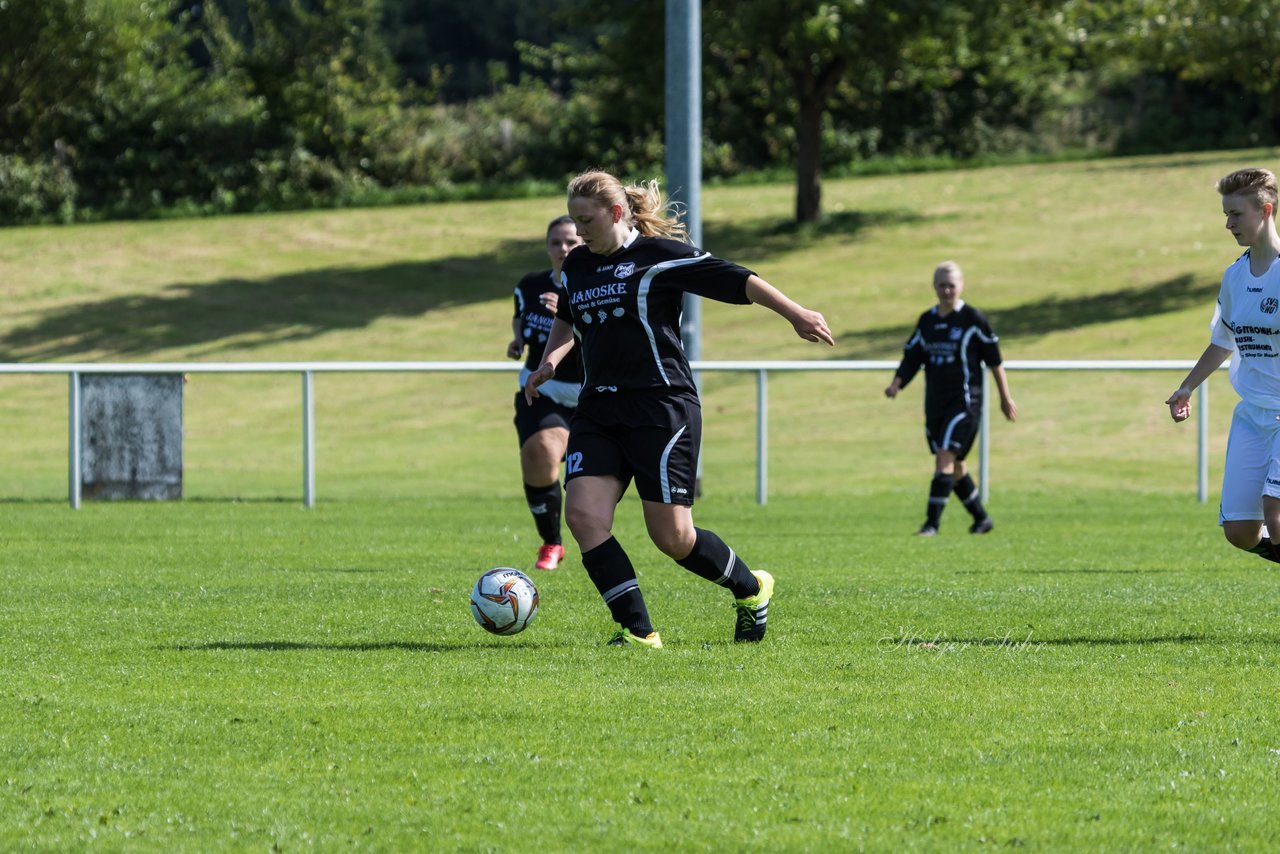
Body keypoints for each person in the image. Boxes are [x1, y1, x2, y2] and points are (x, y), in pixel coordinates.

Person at [524, 169, 834, 648]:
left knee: (672, 537)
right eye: (572, 221)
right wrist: (549, 362)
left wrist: (796, 313)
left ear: (615, 212)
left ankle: (751, 590)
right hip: (599, 409)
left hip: (661, 406)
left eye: (585, 221)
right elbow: (568, 317)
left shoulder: (658, 257)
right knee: (584, 516)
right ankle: (638, 631)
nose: (577, 233)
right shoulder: (580, 265)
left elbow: (737, 279)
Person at [1167, 166, 1280, 565]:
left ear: (1265, 211)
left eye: (1236, 214)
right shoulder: (1234, 276)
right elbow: (1223, 340)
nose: (1228, 224)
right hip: (1252, 416)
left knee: (1276, 514)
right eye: (1226, 215)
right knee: (1240, 533)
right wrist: (1187, 386)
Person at [884, 261, 1017, 537]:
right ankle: (982, 519)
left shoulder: (972, 319)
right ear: (934, 287)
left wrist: (1005, 397)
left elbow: (995, 361)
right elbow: (912, 357)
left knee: (944, 458)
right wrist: (897, 383)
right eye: (942, 285)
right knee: (955, 467)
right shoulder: (927, 321)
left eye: (951, 285)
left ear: (961, 286)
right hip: (935, 404)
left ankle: (931, 525)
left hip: (965, 402)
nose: (947, 290)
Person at [508, 215, 585, 571]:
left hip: (594, 395)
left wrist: (570, 318)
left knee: (587, 489)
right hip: (544, 389)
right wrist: (518, 340)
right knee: (540, 455)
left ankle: (597, 546)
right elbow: (520, 317)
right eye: (556, 242)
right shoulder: (530, 285)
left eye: (571, 241)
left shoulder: (596, 286)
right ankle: (551, 542)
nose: (564, 249)